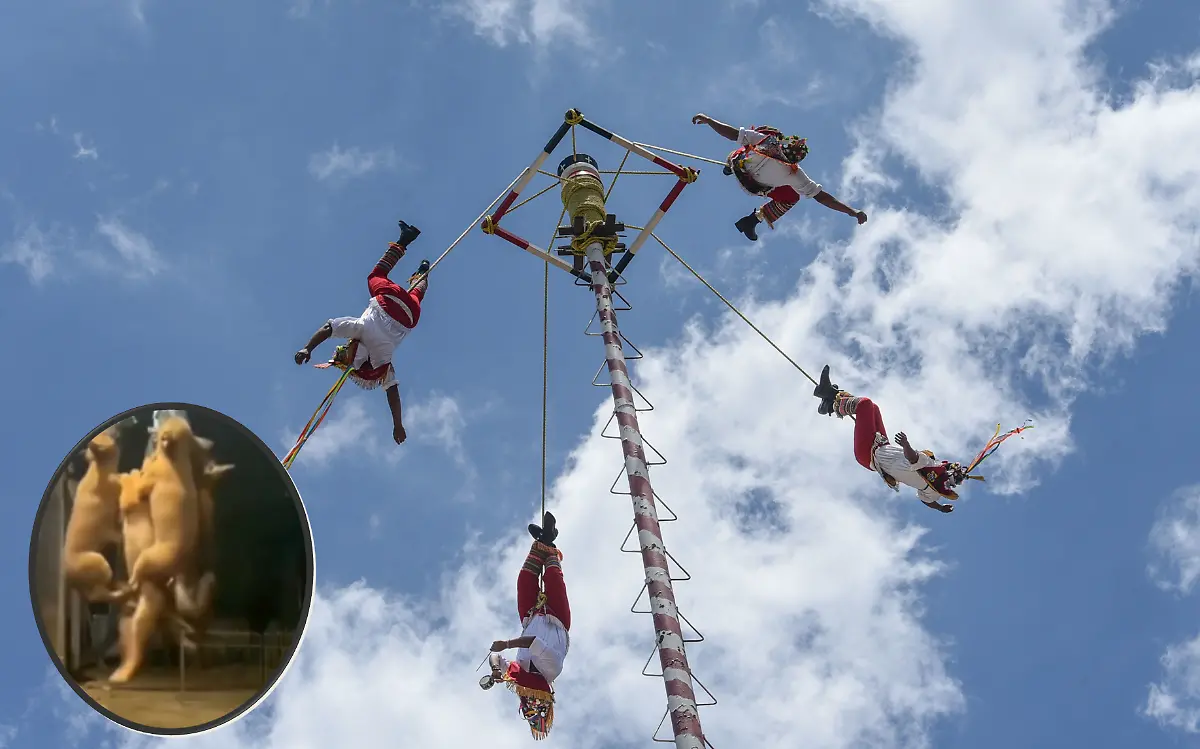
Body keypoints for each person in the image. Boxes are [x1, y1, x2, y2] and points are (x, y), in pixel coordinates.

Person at [294, 221, 430, 445]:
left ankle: (424, 275)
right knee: (375, 276)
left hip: (410, 316)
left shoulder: (381, 361)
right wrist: (307, 348)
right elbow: (329, 328)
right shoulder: (358, 330)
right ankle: (405, 239)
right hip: (389, 301)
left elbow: (392, 391)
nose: (345, 347)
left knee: (415, 299)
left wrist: (398, 424)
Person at [812, 365, 984, 513]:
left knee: (864, 404)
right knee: (873, 408)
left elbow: (913, 459)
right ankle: (828, 404)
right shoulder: (935, 491)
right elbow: (927, 501)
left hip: (869, 454)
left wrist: (906, 444)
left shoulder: (930, 465)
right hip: (881, 445)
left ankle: (830, 396)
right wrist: (940, 508)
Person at [692, 113, 868, 241]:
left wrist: (852, 211)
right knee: (792, 196)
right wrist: (852, 212)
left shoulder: (771, 144)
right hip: (749, 179)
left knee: (756, 140)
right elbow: (821, 197)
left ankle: (751, 218)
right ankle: (753, 218)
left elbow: (733, 134)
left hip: (744, 172)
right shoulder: (793, 172)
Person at [480, 511, 571, 740]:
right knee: (552, 577)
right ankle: (548, 542)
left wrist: (494, 670)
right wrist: (507, 644)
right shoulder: (552, 669)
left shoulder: (519, 669)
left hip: (530, 617)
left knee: (525, 580)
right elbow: (532, 642)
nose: (531, 697)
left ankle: (543, 541)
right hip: (556, 617)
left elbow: (495, 657)